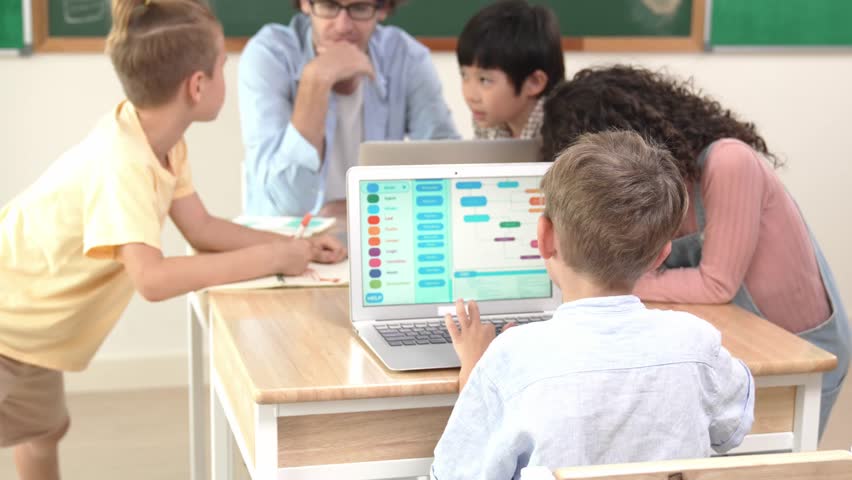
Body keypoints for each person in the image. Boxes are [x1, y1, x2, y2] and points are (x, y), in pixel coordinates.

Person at [0, 1, 345, 478]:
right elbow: (153, 279)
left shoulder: (161, 142)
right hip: (7, 320)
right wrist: (272, 259)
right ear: (197, 85)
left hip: (34, 333)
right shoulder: (123, 162)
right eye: (223, 64)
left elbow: (201, 227)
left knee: (42, 432)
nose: (227, 73)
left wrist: (297, 247)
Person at [540, 65, 850, 438]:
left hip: (800, 351)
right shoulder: (657, 196)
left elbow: (716, 284)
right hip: (737, 346)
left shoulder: (728, 162)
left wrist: (598, 280)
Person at [431, 131, 754, 479]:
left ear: (544, 237)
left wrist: (474, 373)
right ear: (661, 255)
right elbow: (731, 428)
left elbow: (458, 474)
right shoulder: (696, 343)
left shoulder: (510, 359)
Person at [239, 0, 459, 217]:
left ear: (382, 8)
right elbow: (287, 205)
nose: (343, 26)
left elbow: (448, 174)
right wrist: (316, 80)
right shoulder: (269, 55)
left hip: (377, 232)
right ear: (305, 3)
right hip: (288, 242)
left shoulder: (407, 57)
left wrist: (355, 208)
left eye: (360, 8)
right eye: (328, 5)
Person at [457, 0, 564, 140]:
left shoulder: (563, 133)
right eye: (464, 75)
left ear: (534, 82)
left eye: (484, 80)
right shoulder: (490, 121)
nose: (470, 96)